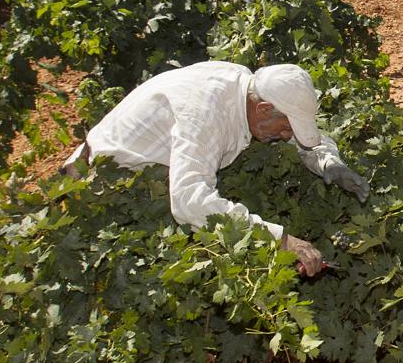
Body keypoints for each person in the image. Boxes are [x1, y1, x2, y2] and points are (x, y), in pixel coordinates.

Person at [63, 61, 370, 276]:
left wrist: (328, 161)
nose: (288, 137)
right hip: (106, 186)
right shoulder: (205, 118)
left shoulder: (245, 85)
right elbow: (189, 201)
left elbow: (294, 135)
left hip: (147, 175)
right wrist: (280, 239)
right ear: (263, 109)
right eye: (286, 128)